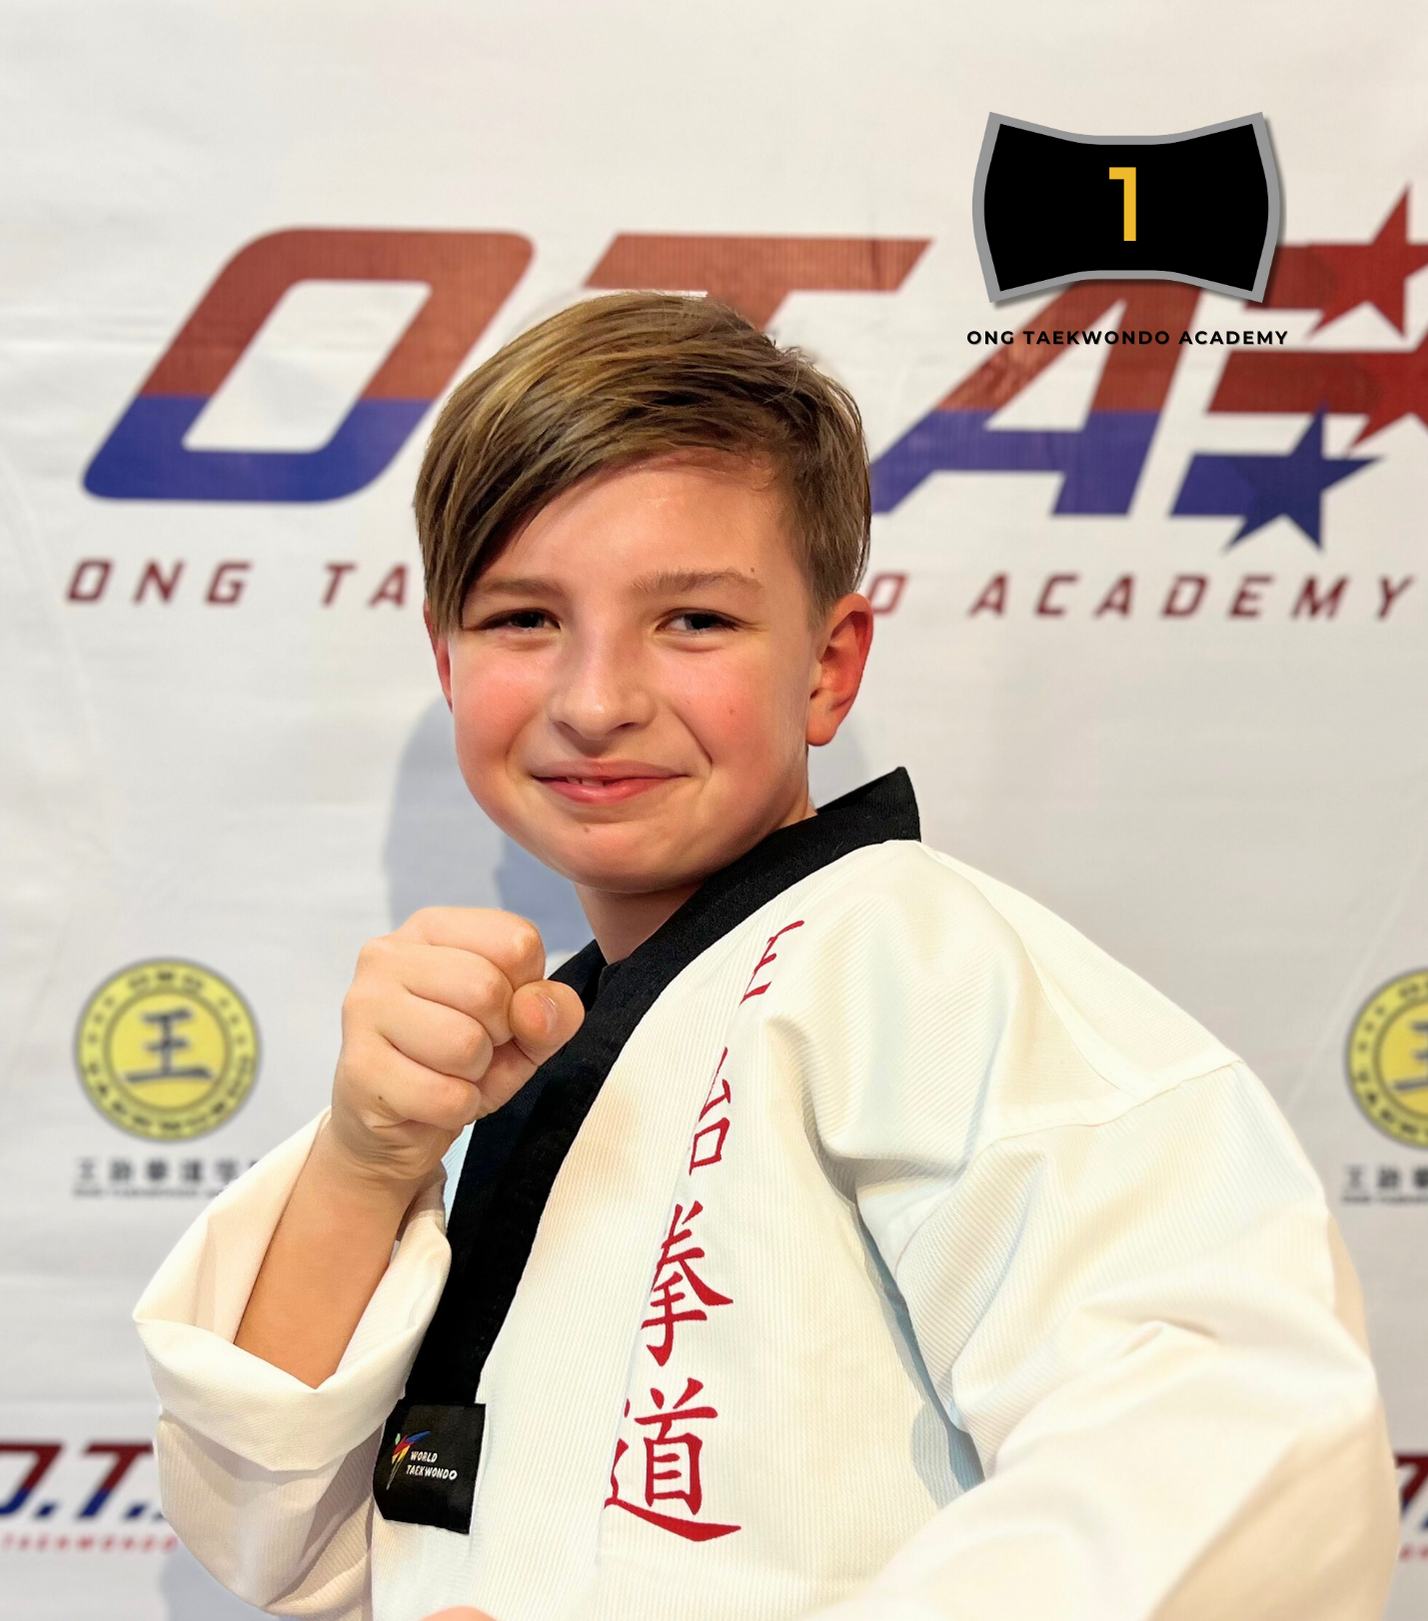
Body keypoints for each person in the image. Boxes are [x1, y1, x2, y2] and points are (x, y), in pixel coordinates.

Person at [134, 292, 1399, 1621]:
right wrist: (367, 1159)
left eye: (693, 622)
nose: (597, 698)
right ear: (447, 660)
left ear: (828, 668)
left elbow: (1242, 1456)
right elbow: (296, 1540)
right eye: (524, 619)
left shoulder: (913, 958)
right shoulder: (556, 1032)